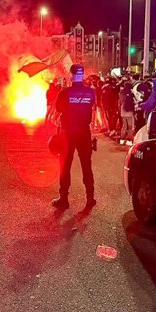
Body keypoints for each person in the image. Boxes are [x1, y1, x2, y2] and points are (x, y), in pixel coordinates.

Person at [51, 64, 96, 210]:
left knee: (65, 166)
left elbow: (58, 109)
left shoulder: (64, 93)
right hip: (84, 132)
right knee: (86, 166)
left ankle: (64, 199)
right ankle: (90, 198)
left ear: (71, 75)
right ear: (82, 75)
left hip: (68, 133)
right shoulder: (90, 92)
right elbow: (91, 108)